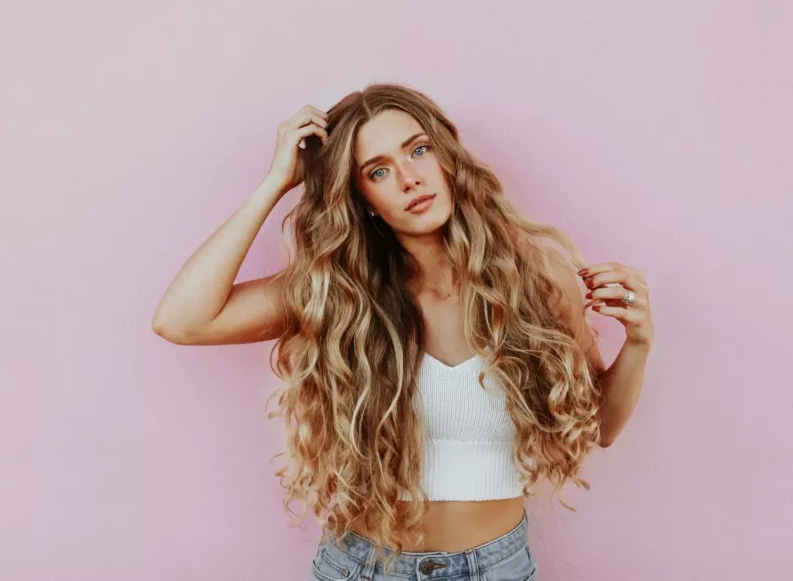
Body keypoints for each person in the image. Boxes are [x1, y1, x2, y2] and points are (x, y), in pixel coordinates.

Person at [151, 84, 654, 581]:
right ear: (362, 198)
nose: (410, 178)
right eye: (379, 171)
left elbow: (601, 428)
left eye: (418, 150)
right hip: (363, 567)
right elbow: (183, 320)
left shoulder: (537, 281)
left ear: (447, 157)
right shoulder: (338, 294)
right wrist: (276, 183)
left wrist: (638, 343)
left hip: (496, 568)